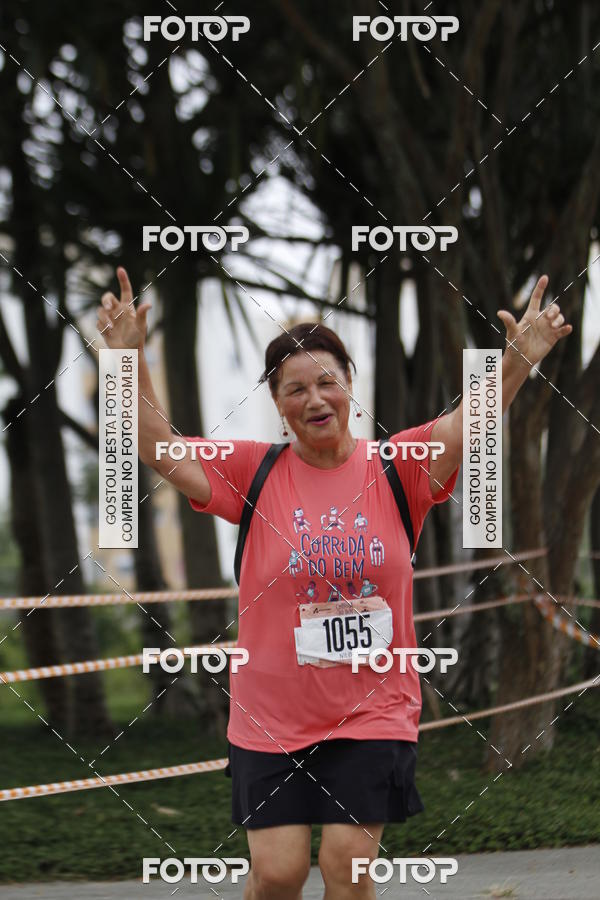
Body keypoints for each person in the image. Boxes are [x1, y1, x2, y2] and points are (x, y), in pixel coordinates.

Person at [97, 267, 571, 900]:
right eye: (295, 389)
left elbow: (468, 424)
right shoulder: (253, 471)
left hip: (372, 710)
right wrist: (125, 361)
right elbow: (157, 445)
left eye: (327, 381)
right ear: (276, 403)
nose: (314, 399)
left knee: (349, 869)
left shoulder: (396, 467)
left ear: (351, 385)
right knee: (278, 874)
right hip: (270, 716)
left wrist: (519, 361)